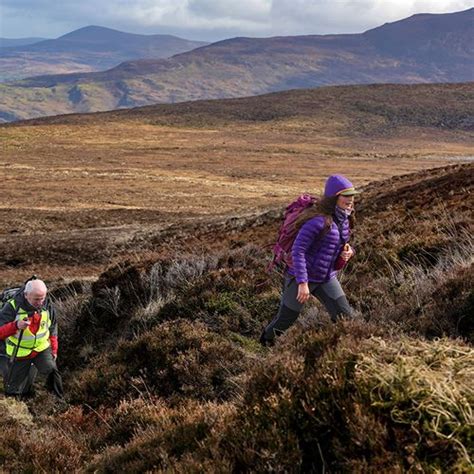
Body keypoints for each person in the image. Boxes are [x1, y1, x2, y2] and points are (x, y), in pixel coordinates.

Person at [260, 174, 358, 346]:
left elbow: (338, 245)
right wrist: (303, 282)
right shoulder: (317, 221)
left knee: (345, 317)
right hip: (300, 278)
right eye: (346, 196)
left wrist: (348, 253)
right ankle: (265, 343)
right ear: (334, 197)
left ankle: (346, 349)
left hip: (326, 278)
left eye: (352, 196)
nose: (350, 200)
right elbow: (298, 250)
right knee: (286, 319)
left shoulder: (344, 221)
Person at [0, 279, 63, 398]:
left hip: (41, 349)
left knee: (52, 372)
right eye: (36, 299)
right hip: (19, 352)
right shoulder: (12, 307)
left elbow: (53, 327)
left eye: (42, 298)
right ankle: (15, 409)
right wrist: (15, 326)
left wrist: (54, 350)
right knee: (13, 389)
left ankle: (59, 402)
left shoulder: (47, 305)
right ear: (26, 295)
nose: (40, 303)